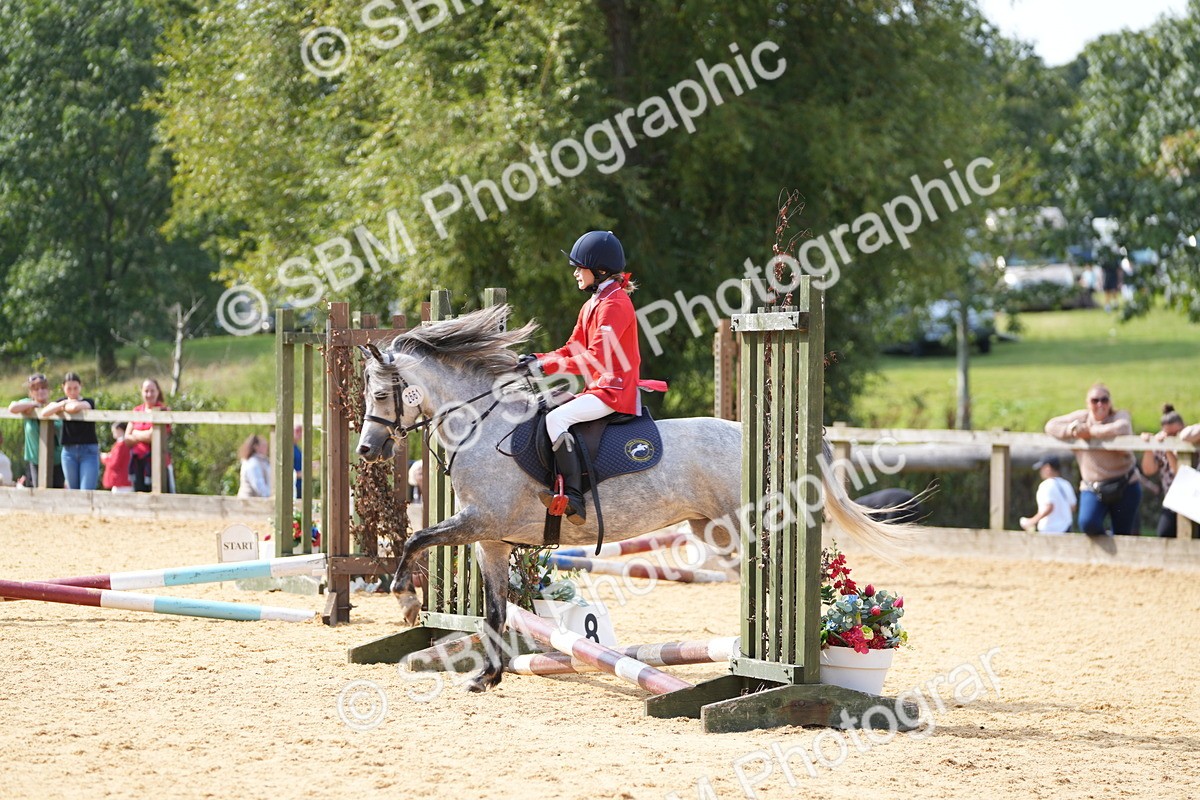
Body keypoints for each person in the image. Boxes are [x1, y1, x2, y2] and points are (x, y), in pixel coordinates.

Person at [518, 231, 640, 525]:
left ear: (600, 271)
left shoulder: (615, 304)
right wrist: (537, 359)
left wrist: (547, 368)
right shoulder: (594, 303)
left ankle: (574, 497)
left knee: (555, 419)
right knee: (544, 407)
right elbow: (571, 349)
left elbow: (596, 358)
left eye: (579, 267)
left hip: (614, 391)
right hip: (597, 388)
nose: (574, 273)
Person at [1045, 383, 1140, 535]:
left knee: (1123, 533)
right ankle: (1106, 541)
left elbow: (1121, 427)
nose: (1100, 404)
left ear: (1110, 402)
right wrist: (1071, 430)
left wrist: (1089, 432)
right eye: (1095, 400)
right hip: (1093, 486)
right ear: (1088, 403)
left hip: (1125, 483)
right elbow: (1051, 426)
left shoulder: (1119, 415)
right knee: (1087, 523)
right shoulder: (1082, 417)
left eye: (1104, 400)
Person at [39, 372, 100, 490]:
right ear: (63, 387)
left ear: (81, 386)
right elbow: (44, 412)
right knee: (72, 490)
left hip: (88, 450)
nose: (72, 392)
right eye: (69, 388)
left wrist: (62, 407)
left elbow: (75, 408)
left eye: (75, 388)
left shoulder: (88, 401)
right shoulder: (61, 402)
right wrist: (63, 403)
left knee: (86, 490)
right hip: (68, 451)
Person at [7, 373, 64, 488]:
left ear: (48, 390)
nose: (40, 391)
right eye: (36, 389)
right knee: (37, 491)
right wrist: (34, 404)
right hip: (35, 460)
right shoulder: (27, 404)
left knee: (56, 492)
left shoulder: (54, 406)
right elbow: (12, 408)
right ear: (31, 392)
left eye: (43, 388)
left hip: (57, 461)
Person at [1141, 404, 1187, 538]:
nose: (1172, 437)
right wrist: (1149, 446)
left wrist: (1168, 448)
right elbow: (1148, 470)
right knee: (1164, 533)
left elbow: (1180, 473)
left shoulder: (1191, 443)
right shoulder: (1161, 442)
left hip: (1192, 496)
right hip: (1172, 497)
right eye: (1169, 434)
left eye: (1176, 434)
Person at [126, 378, 173, 492]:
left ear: (158, 392)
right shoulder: (137, 411)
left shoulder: (163, 411)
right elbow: (127, 438)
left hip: (158, 464)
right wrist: (143, 435)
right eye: (146, 391)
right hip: (138, 464)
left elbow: (154, 436)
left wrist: (135, 433)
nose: (149, 394)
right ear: (142, 392)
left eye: (152, 391)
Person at [1019, 456, 1077, 534]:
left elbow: (1048, 507)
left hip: (1049, 531)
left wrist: (1031, 521)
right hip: (1066, 530)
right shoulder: (1066, 484)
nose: (1040, 472)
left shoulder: (1046, 485)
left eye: (1042, 468)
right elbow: (1073, 507)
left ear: (1048, 468)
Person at [101, 422, 133, 492]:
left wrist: (105, 458)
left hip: (120, 481)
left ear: (119, 430)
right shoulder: (124, 444)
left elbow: (114, 463)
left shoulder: (121, 445)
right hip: (123, 481)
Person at [293, 424, 304, 499]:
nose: (299, 434)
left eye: (301, 431)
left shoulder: (297, 449)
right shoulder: (288, 449)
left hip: (300, 487)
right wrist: (303, 474)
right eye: (297, 431)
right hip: (293, 488)